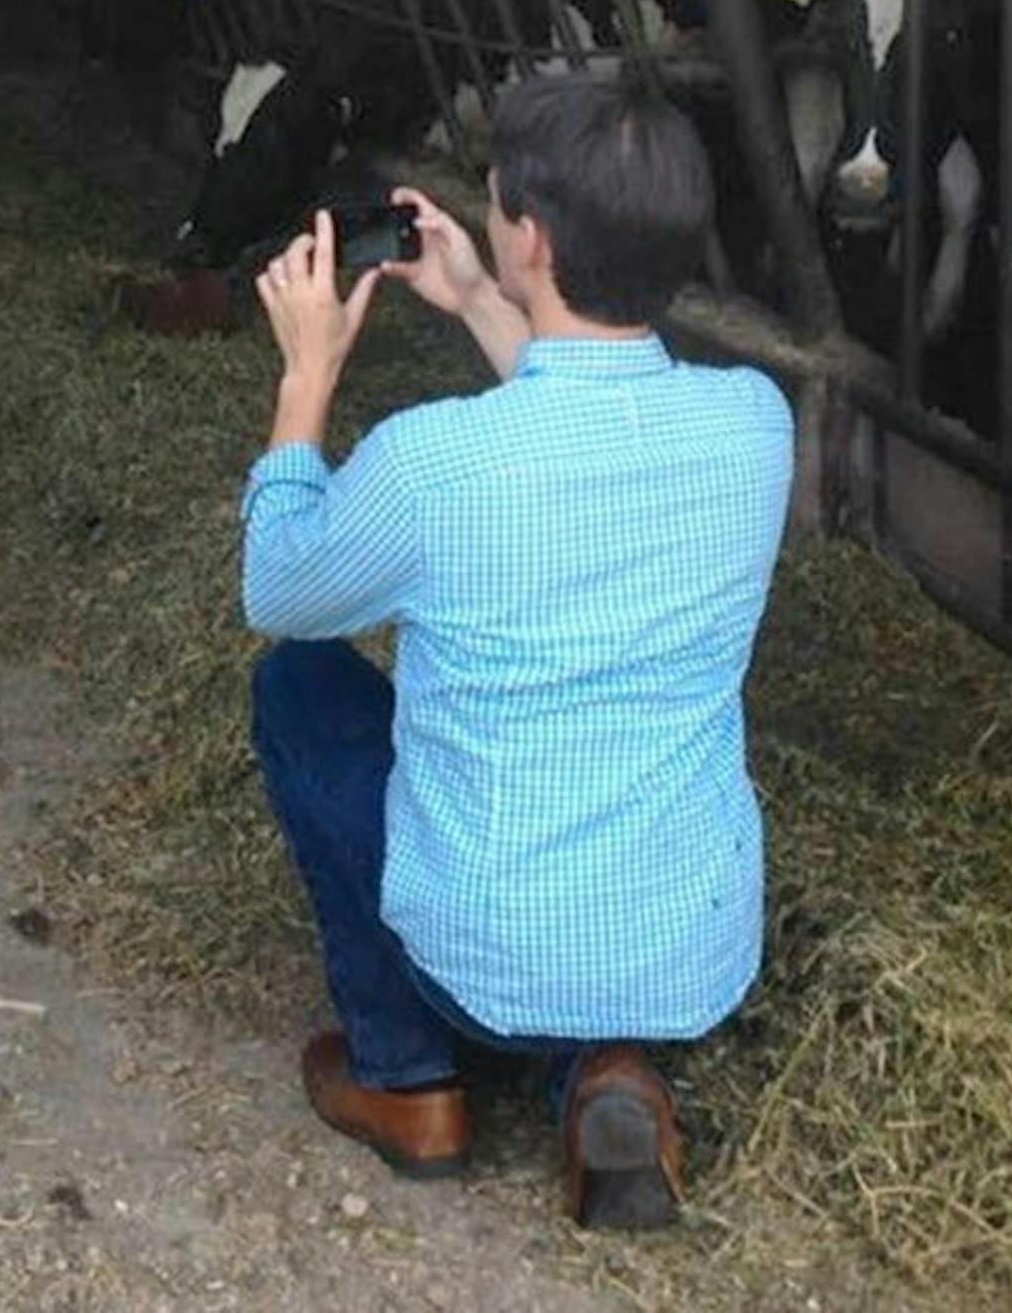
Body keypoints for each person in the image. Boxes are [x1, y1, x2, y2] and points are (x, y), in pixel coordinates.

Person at [241, 72, 793, 1228]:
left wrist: (306, 377)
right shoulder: (755, 423)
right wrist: (488, 303)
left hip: (481, 955)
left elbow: (283, 588)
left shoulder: (436, 462)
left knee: (301, 681)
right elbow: (588, 428)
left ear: (529, 235)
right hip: (682, 951)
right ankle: (596, 1068)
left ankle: (407, 1077)